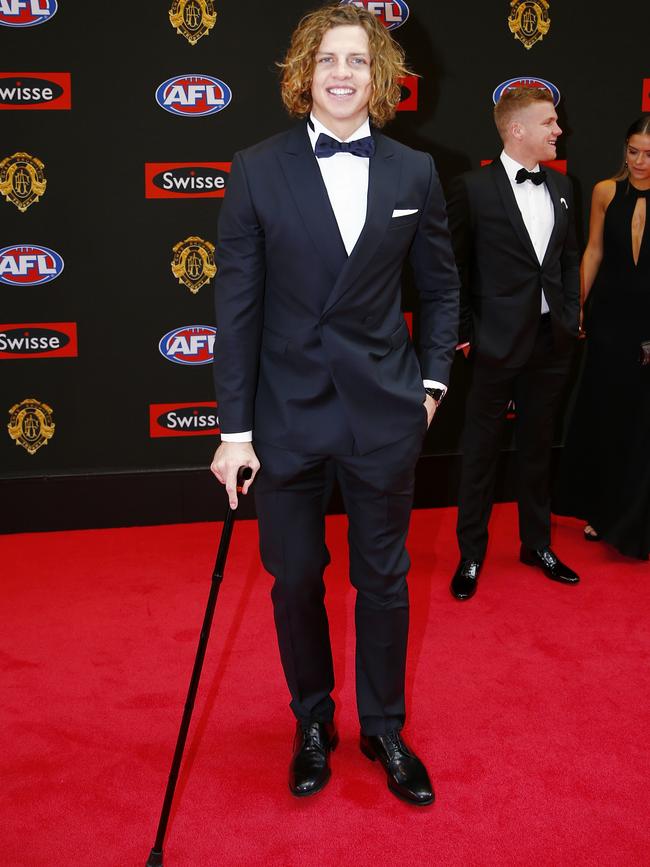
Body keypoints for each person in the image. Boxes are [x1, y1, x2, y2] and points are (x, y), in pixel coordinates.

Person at [210, 3, 459, 804]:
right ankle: (311, 717)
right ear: (303, 74)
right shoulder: (256, 167)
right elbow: (237, 308)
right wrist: (234, 432)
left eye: (357, 60)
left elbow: (444, 288)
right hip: (286, 415)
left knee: (384, 579)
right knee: (294, 579)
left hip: (383, 412)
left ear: (380, 76)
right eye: (327, 60)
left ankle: (384, 725)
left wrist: (428, 387)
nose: (342, 73)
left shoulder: (414, 172)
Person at [446, 85, 581, 601]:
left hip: (551, 343)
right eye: (549, 122)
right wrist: (464, 333)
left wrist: (570, 315)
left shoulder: (565, 187)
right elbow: (451, 268)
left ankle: (537, 544)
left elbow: (568, 259)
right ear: (517, 129)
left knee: (537, 449)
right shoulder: (472, 189)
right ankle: (472, 555)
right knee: (479, 453)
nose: (558, 130)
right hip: (492, 346)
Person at [555, 115, 650, 560]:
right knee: (609, 414)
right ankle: (603, 508)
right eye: (632, 151)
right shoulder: (604, 192)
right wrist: (576, 305)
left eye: (648, 154)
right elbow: (593, 251)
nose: (639, 161)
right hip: (611, 320)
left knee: (642, 421)